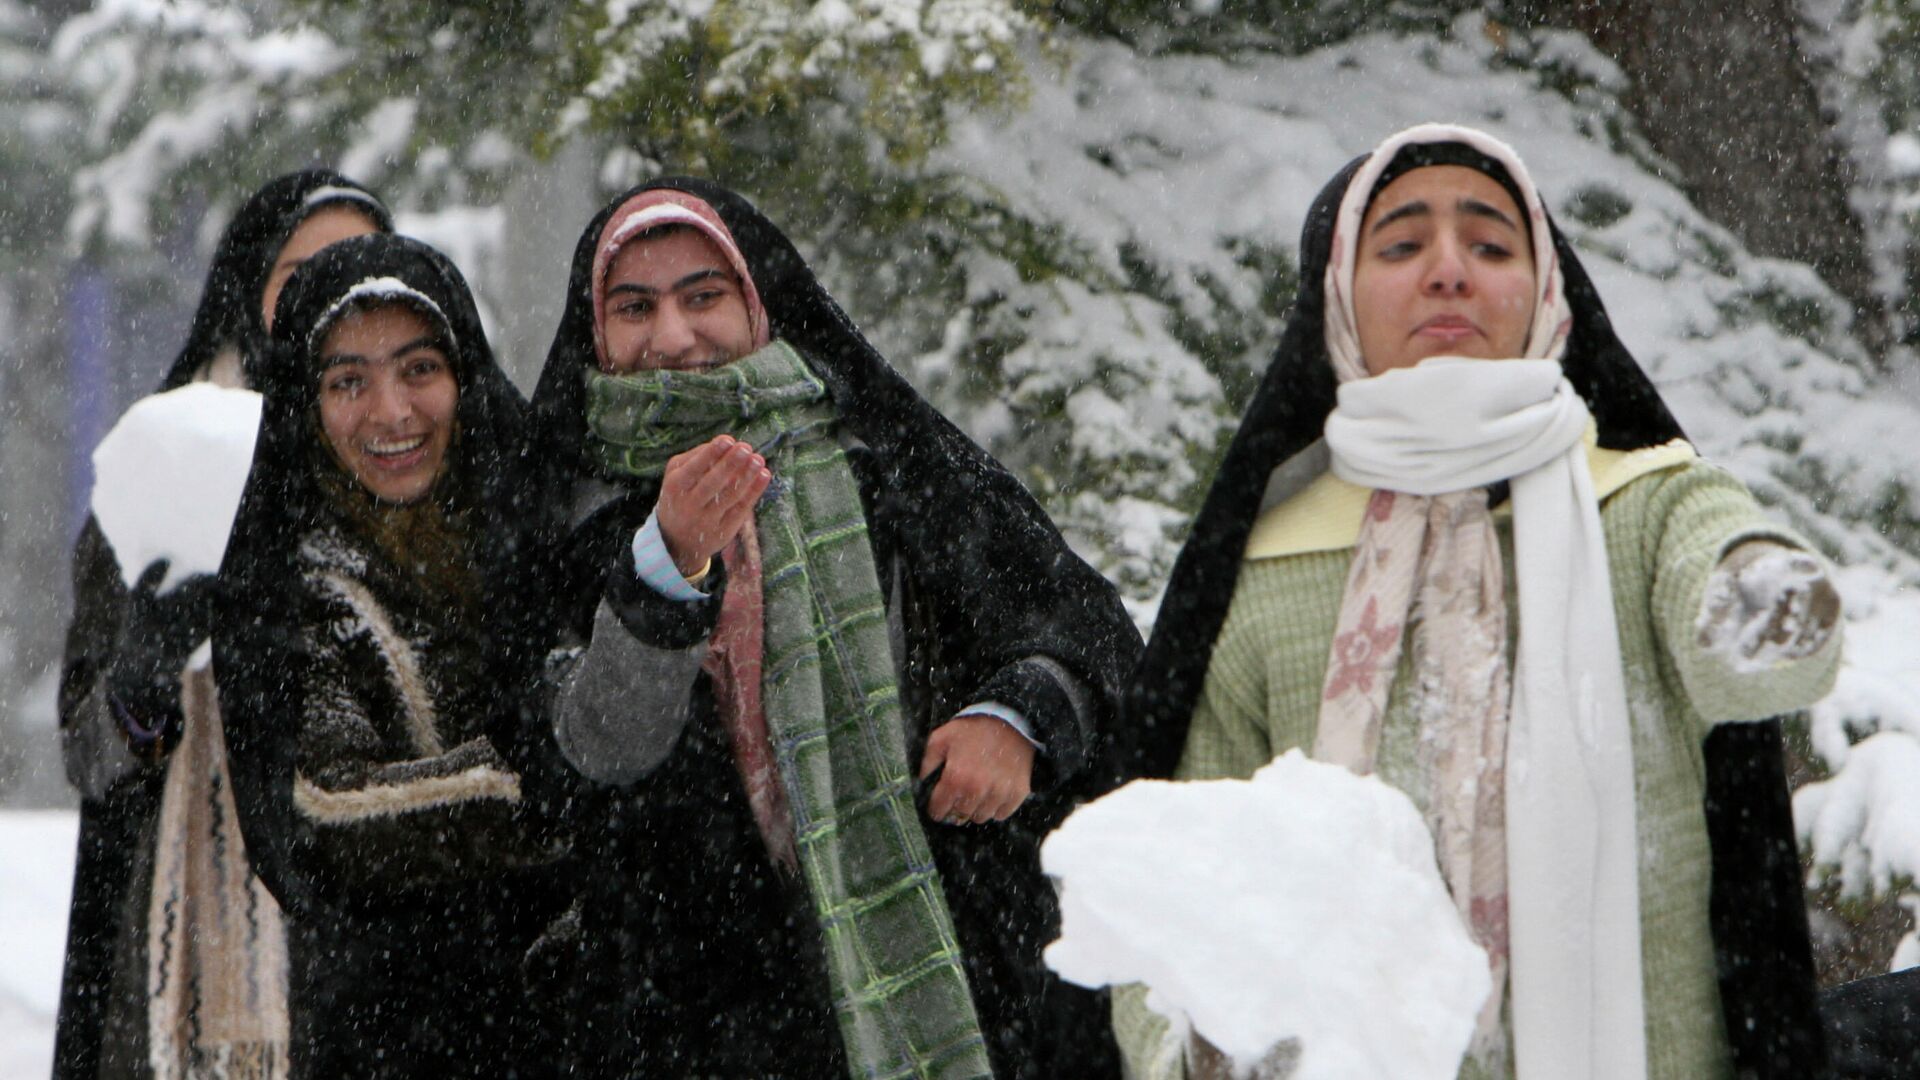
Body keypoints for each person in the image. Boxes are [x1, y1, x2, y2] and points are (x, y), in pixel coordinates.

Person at [1111, 124, 1842, 1080]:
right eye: (1403, 245)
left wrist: (1761, 599)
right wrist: (1202, 1047)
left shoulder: (1649, 501)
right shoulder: (1264, 572)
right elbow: (1177, 876)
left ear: (1545, 295)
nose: (1450, 271)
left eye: (1492, 245)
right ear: (1336, 296)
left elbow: (1747, 619)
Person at [513, 180, 1140, 1078]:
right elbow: (597, 752)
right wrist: (666, 566)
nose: (675, 336)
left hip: (953, 961)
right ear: (596, 333)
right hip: (698, 1020)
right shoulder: (573, 512)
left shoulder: (882, 460)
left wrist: (1014, 718)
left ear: (758, 303)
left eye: (704, 296)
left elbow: (1081, 625)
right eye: (635, 306)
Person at [54, 170, 390, 1080]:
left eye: (359, 265)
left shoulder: (429, 464)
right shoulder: (162, 470)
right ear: (250, 287)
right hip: (173, 960)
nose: (332, 288)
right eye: (302, 270)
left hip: (377, 949)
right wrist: (146, 677)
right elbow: (90, 756)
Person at [211, 234, 570, 1078]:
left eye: (418, 369)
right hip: (387, 1033)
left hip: (590, 1021)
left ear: (464, 373)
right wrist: (550, 787)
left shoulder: (547, 522)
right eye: (348, 382)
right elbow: (330, 814)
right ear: (305, 402)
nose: (391, 413)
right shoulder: (289, 580)